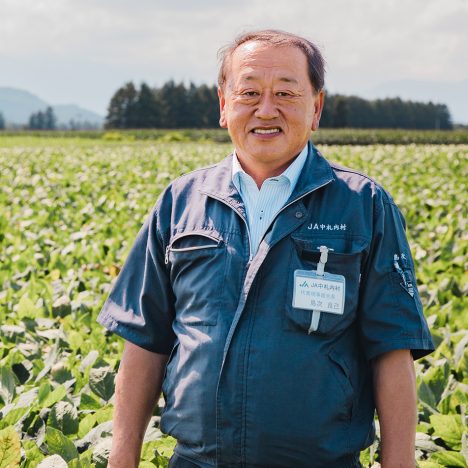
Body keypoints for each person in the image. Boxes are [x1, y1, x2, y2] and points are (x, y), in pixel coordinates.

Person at [98, 29, 434, 468]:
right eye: (249, 92)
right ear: (223, 105)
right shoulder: (180, 204)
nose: (266, 110)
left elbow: (392, 351)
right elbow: (145, 344)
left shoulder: (363, 206)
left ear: (316, 108)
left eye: (285, 93)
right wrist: (121, 461)